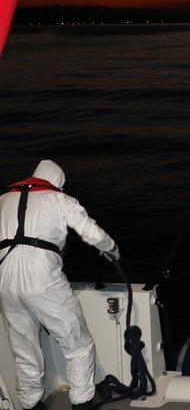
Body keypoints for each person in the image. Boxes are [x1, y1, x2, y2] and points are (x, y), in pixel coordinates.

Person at [0, 160, 119, 410]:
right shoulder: (59, 199)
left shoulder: (3, 200)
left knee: (24, 347)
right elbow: (93, 234)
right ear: (58, 184)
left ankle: (31, 404)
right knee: (77, 343)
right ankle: (82, 402)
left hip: (5, 281)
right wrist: (112, 250)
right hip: (43, 280)